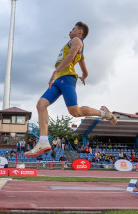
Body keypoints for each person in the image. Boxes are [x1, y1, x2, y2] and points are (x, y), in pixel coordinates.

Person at [25, 21, 117, 158]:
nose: (70, 31)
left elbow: (71, 56)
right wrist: (84, 76)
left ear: (80, 32)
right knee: (41, 104)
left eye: (72, 29)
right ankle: (43, 141)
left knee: (75, 112)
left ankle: (102, 112)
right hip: (59, 80)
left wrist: (56, 71)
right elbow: (84, 67)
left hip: (66, 79)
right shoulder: (79, 47)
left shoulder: (76, 40)